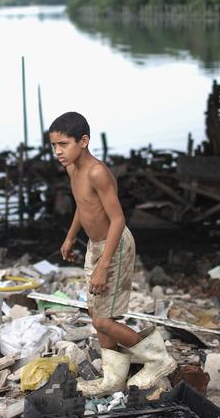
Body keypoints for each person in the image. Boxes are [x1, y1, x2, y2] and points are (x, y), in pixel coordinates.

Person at [48, 111, 176, 397]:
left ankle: (159, 359)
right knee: (98, 312)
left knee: (103, 321)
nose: (57, 151)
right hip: (94, 244)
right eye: (54, 145)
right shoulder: (72, 169)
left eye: (63, 144)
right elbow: (83, 206)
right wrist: (70, 237)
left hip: (115, 245)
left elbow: (118, 219)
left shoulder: (97, 172)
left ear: (84, 141)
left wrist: (103, 266)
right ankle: (113, 380)